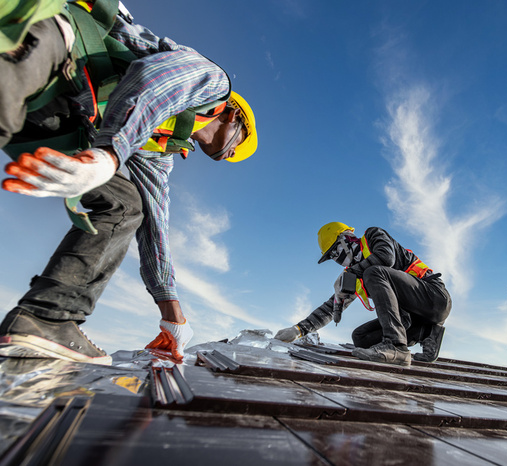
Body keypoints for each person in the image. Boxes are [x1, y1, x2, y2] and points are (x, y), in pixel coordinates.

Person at [0, 0, 258, 365]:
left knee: (126, 205)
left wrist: (172, 313)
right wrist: (109, 153)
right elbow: (153, 81)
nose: (227, 155)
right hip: (53, 44)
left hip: (55, 109)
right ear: (234, 116)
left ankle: (47, 318)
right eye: (233, 146)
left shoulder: (159, 148)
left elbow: (155, 227)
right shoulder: (212, 83)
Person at [275, 222, 451, 366]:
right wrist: (299, 330)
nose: (337, 259)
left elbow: (386, 257)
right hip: (414, 317)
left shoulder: (373, 235)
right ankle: (425, 332)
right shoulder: (356, 273)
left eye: (336, 251)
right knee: (361, 338)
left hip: (435, 298)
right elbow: (333, 306)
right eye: (332, 257)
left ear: (346, 240)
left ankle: (396, 347)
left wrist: (350, 273)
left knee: (374, 272)